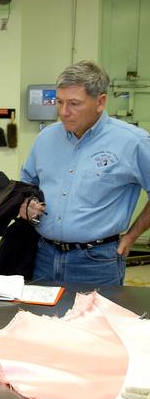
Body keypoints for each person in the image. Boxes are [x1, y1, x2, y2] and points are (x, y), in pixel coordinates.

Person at [20, 60, 150, 285]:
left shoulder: (133, 142)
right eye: (59, 102)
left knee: (93, 321)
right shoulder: (46, 138)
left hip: (97, 262)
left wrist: (131, 236)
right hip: (43, 256)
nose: (64, 112)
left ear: (100, 102)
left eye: (74, 103)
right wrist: (26, 203)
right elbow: (26, 183)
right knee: (40, 320)